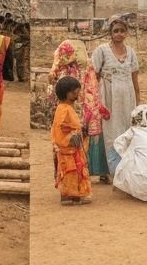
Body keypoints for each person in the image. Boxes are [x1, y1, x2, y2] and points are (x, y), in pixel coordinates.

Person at [49, 38, 108, 179]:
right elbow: (93, 92)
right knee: (80, 139)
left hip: (72, 109)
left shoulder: (62, 72)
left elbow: (52, 87)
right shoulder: (87, 68)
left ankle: (69, 175)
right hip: (81, 108)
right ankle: (83, 173)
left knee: (71, 140)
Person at [92, 18, 141, 177]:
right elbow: (95, 76)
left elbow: (134, 78)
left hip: (127, 97)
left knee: (126, 130)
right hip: (108, 96)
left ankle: (124, 171)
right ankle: (107, 171)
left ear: (126, 33)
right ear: (111, 33)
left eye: (122, 30)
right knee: (108, 131)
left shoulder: (131, 52)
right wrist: (94, 100)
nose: (119, 34)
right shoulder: (102, 50)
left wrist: (138, 101)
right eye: (116, 31)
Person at [52, 76, 91, 205]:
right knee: (69, 171)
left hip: (74, 148)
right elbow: (59, 129)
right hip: (67, 148)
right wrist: (72, 136)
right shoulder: (63, 109)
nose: (77, 95)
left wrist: (81, 132)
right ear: (66, 93)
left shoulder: (68, 108)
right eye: (75, 93)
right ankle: (67, 195)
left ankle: (76, 194)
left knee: (77, 170)